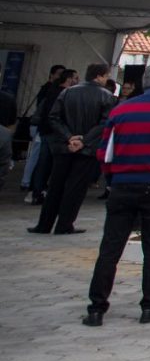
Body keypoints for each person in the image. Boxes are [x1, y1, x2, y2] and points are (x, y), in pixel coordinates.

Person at [83, 63, 150, 326]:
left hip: (123, 185)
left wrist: (113, 179)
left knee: (110, 248)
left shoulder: (121, 110)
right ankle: (149, 306)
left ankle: (96, 308)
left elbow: (104, 152)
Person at [30, 62, 116, 235]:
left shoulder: (68, 92)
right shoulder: (107, 96)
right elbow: (105, 123)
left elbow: (53, 117)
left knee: (56, 185)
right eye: (106, 76)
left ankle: (44, 224)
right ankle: (65, 224)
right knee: (75, 189)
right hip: (86, 149)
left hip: (65, 147)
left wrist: (68, 137)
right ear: (99, 76)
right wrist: (84, 140)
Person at [26, 67, 77, 203]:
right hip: (55, 134)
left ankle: (37, 191)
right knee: (51, 164)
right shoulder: (63, 94)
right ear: (69, 79)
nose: (77, 81)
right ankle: (42, 191)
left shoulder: (52, 91)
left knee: (43, 163)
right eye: (75, 78)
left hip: (47, 132)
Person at [20, 65, 67, 199]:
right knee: (39, 157)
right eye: (59, 74)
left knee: (40, 157)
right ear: (51, 75)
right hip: (44, 128)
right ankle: (29, 183)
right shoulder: (49, 90)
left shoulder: (53, 90)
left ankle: (30, 184)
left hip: (44, 128)